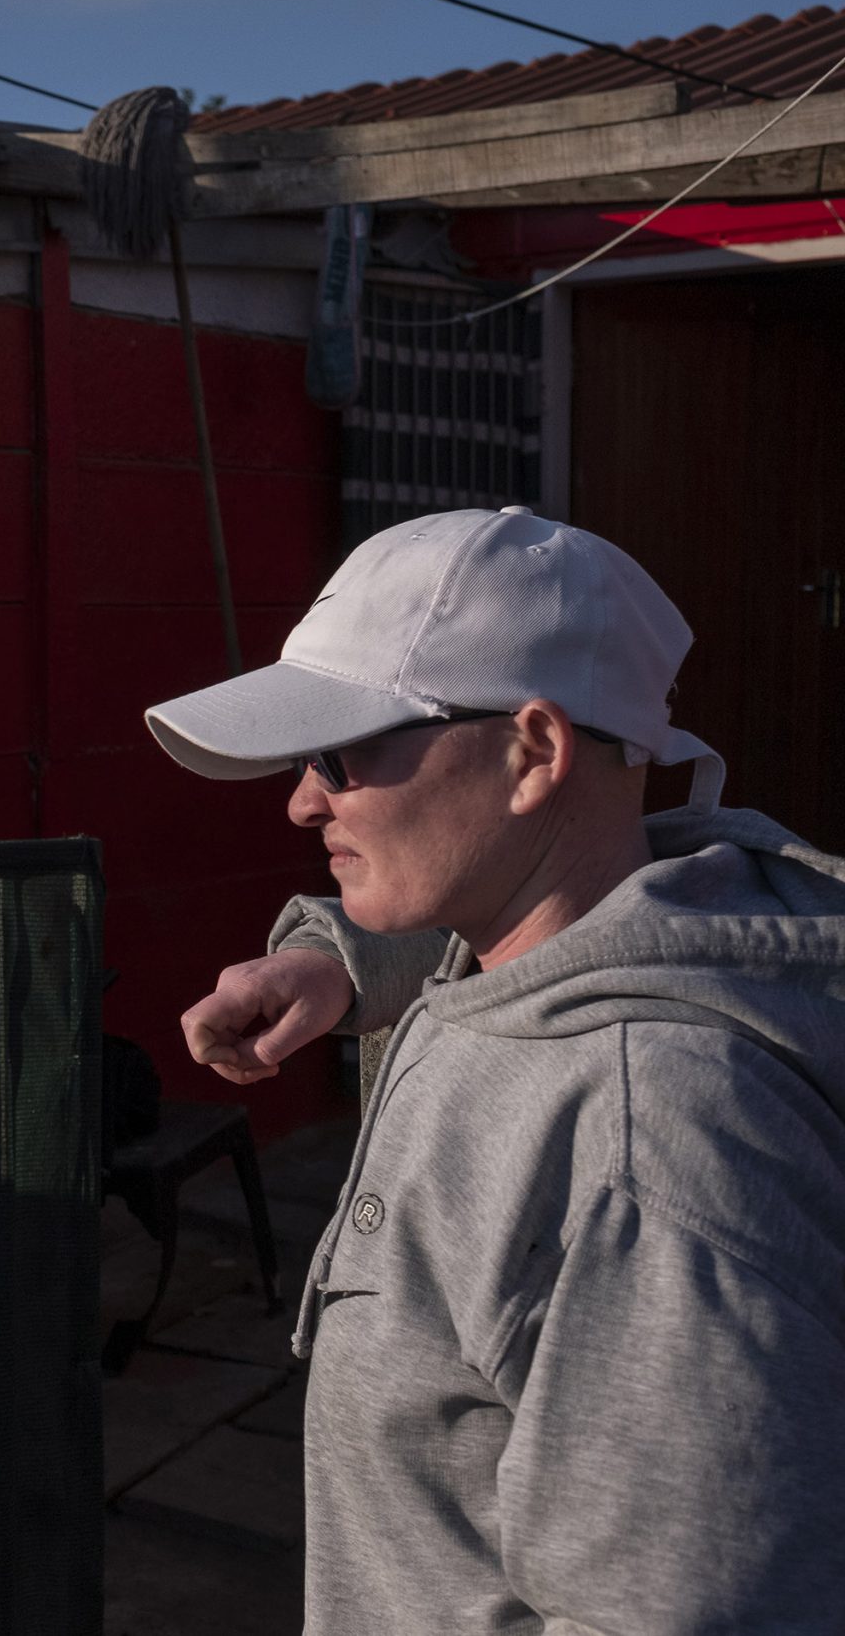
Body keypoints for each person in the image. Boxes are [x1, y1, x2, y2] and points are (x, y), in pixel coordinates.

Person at [147, 506, 845, 1633]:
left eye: (340, 750)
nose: (300, 798)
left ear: (533, 753)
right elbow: (523, 921)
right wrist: (336, 959)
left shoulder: (646, 1140)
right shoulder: (544, 939)